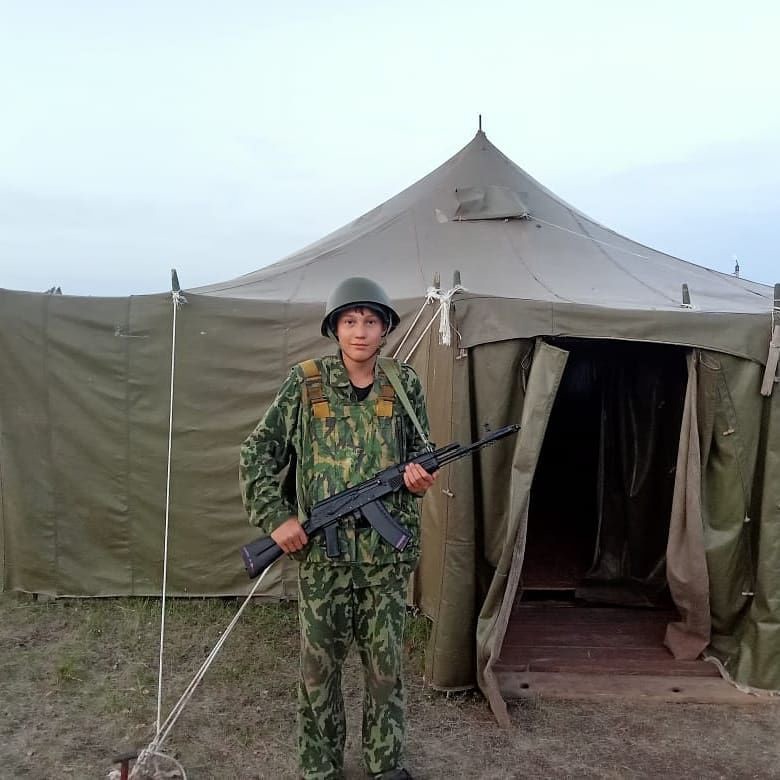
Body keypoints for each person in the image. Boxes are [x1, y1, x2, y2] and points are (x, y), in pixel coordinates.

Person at [240, 277, 435, 780]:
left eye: (370, 321)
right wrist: (277, 519)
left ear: (385, 328)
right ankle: (319, 767)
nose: (360, 331)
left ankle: (385, 763)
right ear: (334, 328)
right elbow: (258, 452)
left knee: (386, 669)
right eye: (350, 321)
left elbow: (421, 453)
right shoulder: (305, 382)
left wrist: (419, 480)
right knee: (318, 670)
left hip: (385, 561)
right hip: (323, 562)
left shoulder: (404, 383)